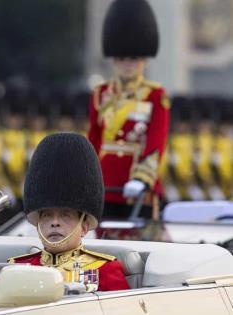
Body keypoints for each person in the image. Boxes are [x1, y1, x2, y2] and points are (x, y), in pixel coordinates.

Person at [7, 133, 129, 291]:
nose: (55, 222)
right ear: (37, 224)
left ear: (84, 227)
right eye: (47, 215)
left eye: (65, 215)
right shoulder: (17, 267)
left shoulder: (104, 270)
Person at [88, 0, 170, 219]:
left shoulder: (155, 95)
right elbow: (94, 139)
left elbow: (156, 142)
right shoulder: (100, 94)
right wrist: (88, 176)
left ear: (143, 61)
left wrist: (142, 178)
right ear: (114, 61)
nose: (127, 64)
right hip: (105, 182)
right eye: (122, 59)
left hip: (137, 182)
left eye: (133, 59)